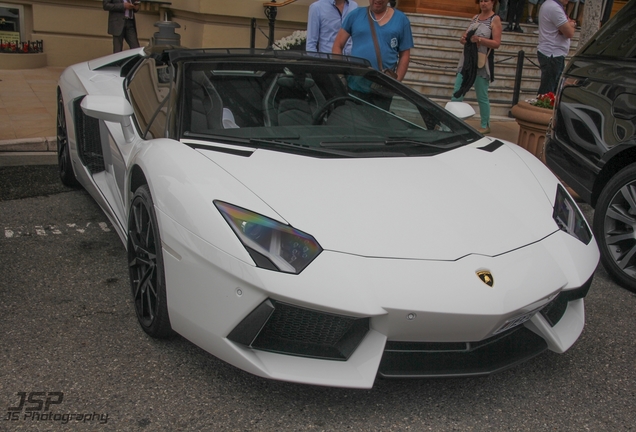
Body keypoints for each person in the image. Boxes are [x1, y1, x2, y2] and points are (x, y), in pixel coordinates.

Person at [451, 0, 502, 134]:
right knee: (458, 90)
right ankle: (451, 121)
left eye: (486, 1)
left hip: (481, 62)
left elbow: (496, 43)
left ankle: (485, 124)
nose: (483, 4)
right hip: (467, 60)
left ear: (493, 3)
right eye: (481, 1)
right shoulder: (474, 18)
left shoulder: (495, 19)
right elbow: (465, 36)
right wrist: (463, 39)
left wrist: (480, 39)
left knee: (481, 94)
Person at [332, 0, 414, 82]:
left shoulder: (401, 20)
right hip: (354, 83)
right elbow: (337, 45)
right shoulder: (355, 15)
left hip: (384, 85)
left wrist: (397, 82)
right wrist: (340, 75)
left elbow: (405, 55)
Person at [537, 0, 576, 95]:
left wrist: (569, 24)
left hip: (554, 53)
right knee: (548, 91)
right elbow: (569, 32)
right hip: (552, 54)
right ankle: (541, 108)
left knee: (554, 89)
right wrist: (571, 24)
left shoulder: (552, 5)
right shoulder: (554, 8)